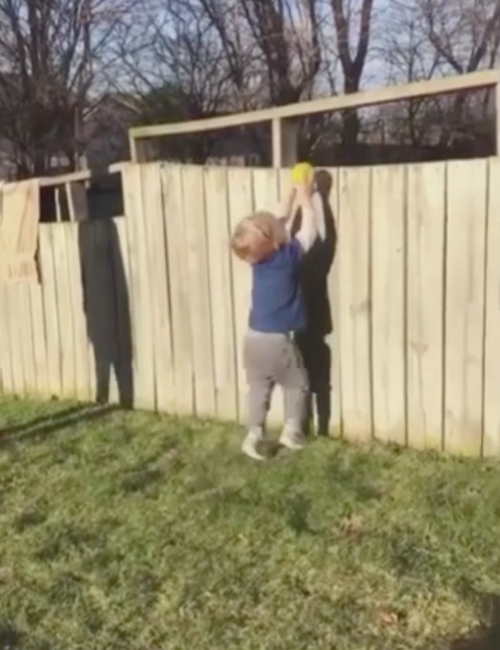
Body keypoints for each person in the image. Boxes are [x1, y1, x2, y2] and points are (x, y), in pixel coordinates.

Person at [230, 178, 319, 460]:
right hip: (276, 342)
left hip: (252, 340)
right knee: (296, 383)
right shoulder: (287, 257)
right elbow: (309, 232)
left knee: (259, 388)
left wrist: (289, 195)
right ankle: (292, 431)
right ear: (274, 241)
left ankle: (254, 433)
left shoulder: (258, 262)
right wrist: (305, 199)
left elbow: (277, 226)